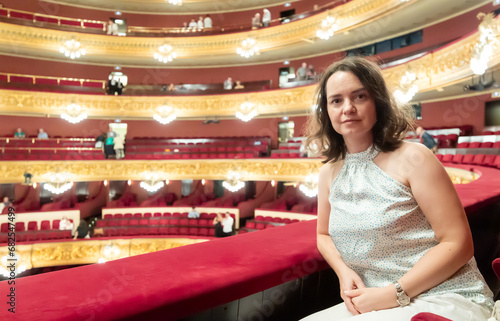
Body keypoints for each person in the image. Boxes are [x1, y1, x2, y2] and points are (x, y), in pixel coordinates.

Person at [301, 57, 493, 321]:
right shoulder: (328, 172)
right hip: (374, 300)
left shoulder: (415, 157)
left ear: (377, 102)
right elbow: (323, 235)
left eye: (359, 96)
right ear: (326, 111)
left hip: (444, 294)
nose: (348, 108)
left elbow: (458, 243)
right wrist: (344, 272)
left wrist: (394, 293)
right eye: (336, 100)